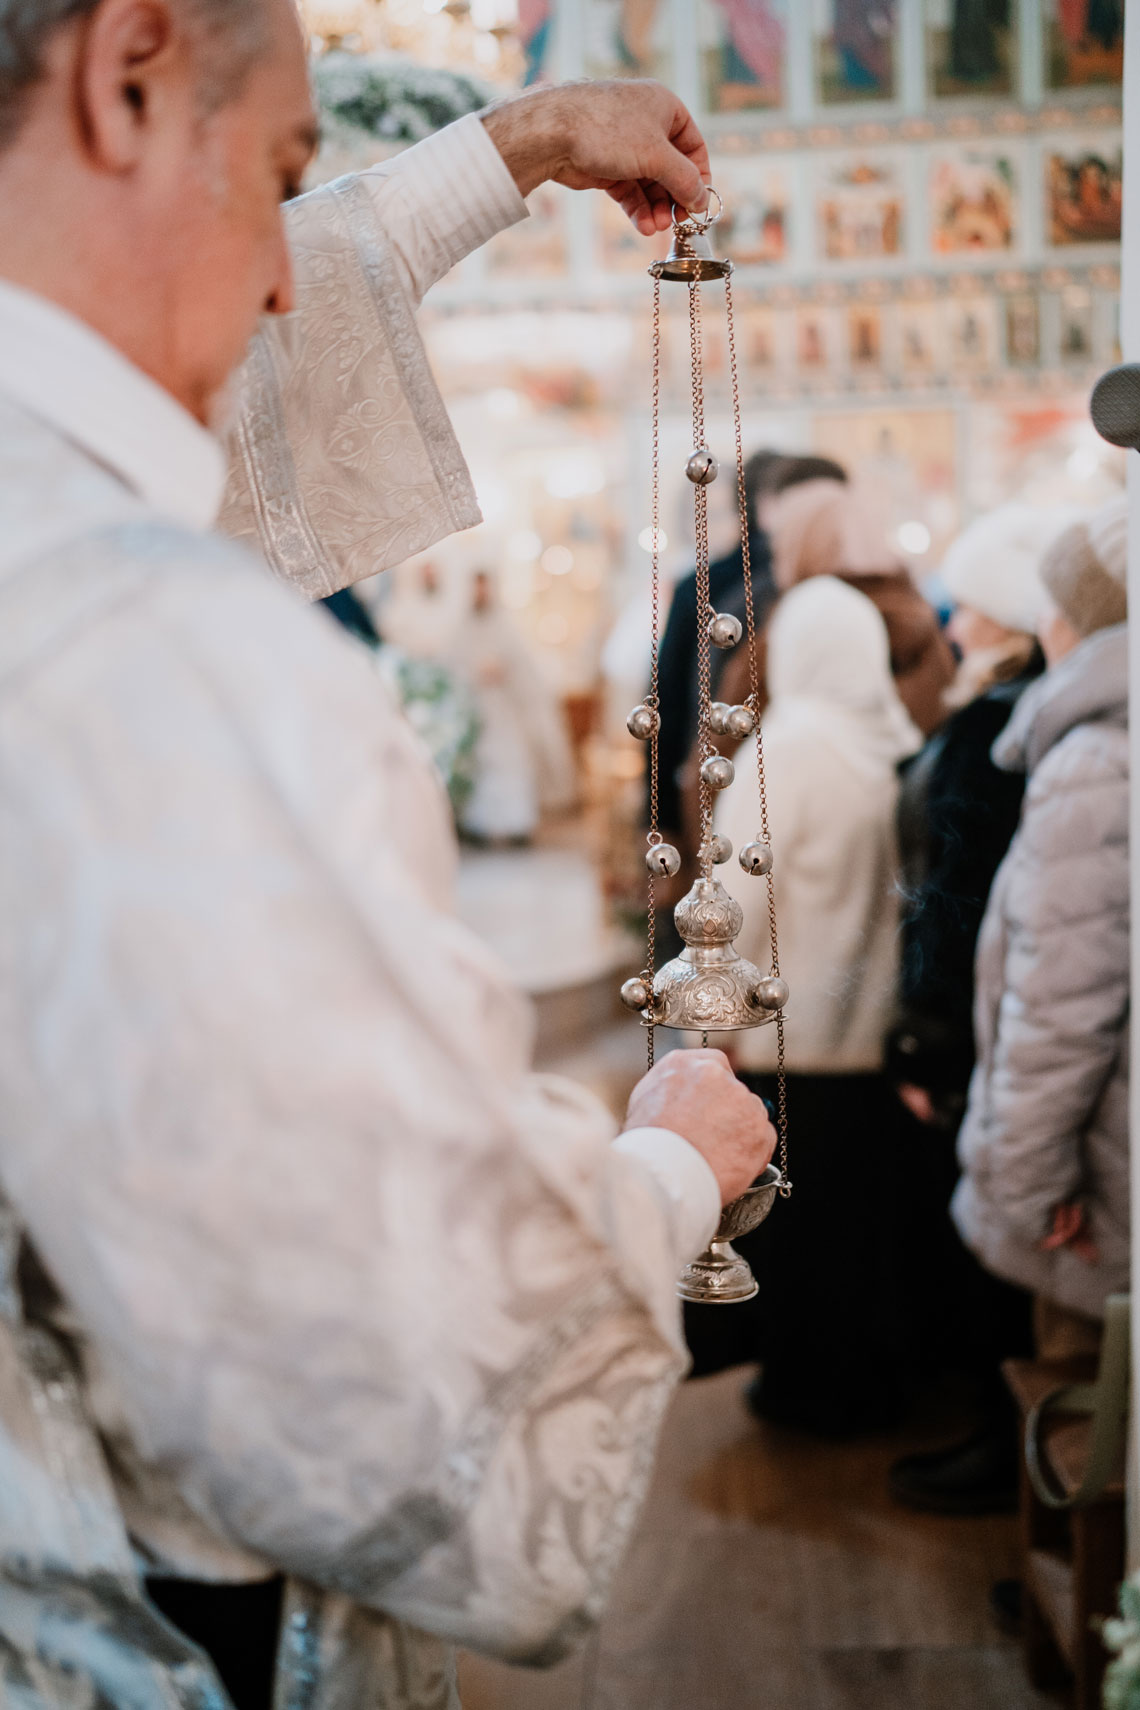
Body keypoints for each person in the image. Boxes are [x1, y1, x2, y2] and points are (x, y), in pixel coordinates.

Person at [0, 9, 776, 1710]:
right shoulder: (169, 657)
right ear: (125, 73)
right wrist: (669, 1167)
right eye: (284, 171)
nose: (290, 282)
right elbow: (407, 1397)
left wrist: (522, 144)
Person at [687, 578, 921, 1432]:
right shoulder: (894, 743)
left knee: (799, 1228)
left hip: (793, 1037)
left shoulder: (781, 751)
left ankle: (804, 1391)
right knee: (862, 1225)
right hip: (875, 1030)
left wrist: (712, 1027)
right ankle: (868, 1382)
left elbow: (733, 905)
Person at [886, 504, 1078, 1516]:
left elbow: (955, 899)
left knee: (991, 1245)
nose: (953, 625)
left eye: (971, 606)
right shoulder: (1026, 714)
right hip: (993, 1009)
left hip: (973, 1020)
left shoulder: (988, 730)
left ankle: (1001, 1446)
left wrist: (924, 1036)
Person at [952, 497, 1130, 1365]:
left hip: (1101, 1183)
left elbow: (1060, 1005)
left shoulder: (1095, 761)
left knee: (1081, 1395)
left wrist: (1028, 1183)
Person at [652, 451, 847, 847]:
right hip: (747, 785)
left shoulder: (843, 589)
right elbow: (675, 700)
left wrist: (663, 816)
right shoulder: (729, 592)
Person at [448, 568, 575, 842]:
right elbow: (452, 665)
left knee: (511, 764)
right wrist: (473, 674)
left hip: (505, 708)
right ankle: (481, 826)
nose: (481, 593)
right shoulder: (461, 627)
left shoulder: (506, 626)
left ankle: (517, 824)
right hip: (478, 708)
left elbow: (522, 664)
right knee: (482, 764)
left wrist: (503, 670)